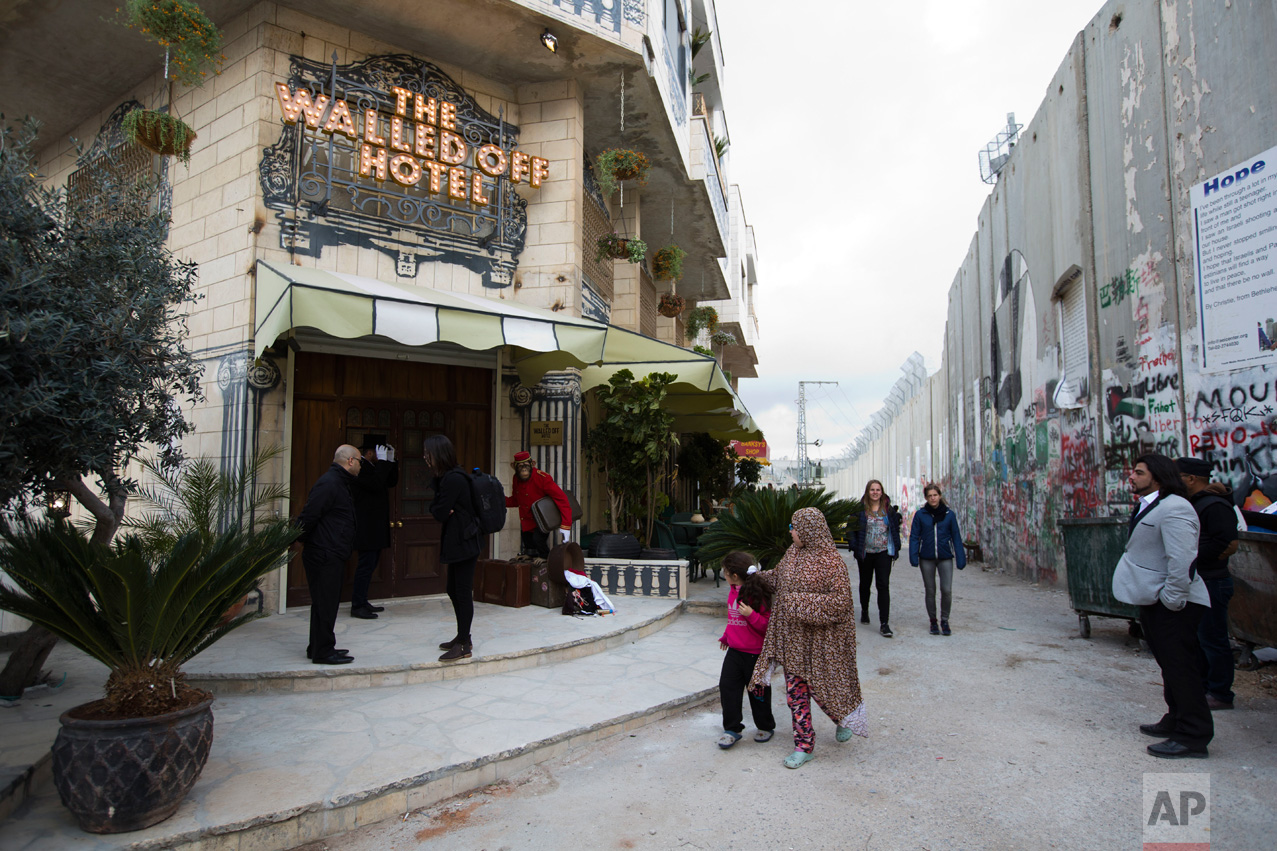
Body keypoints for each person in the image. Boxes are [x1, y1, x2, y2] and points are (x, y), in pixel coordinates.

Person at [748, 507, 867, 769]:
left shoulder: (832, 562)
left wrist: (796, 603)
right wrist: (756, 577)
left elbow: (841, 603)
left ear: (809, 530)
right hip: (794, 641)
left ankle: (840, 717)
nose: (791, 532)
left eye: (795, 527)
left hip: (822, 642)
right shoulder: (792, 554)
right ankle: (804, 745)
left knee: (823, 688)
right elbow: (777, 579)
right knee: (795, 693)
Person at [1112, 454, 1213, 759]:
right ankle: (1176, 719)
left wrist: (1172, 599)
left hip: (1175, 603)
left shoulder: (1175, 508)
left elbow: (1182, 560)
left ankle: (1193, 735)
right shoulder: (1153, 505)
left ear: (1157, 477)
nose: (1132, 477)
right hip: (1156, 600)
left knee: (1182, 668)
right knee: (1170, 666)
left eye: (1139, 473)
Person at [1176, 456, 1239, 711]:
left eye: (1178, 477)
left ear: (1191, 479)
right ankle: (1203, 687)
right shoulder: (1194, 504)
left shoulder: (1214, 505)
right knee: (1199, 639)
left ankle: (1221, 693)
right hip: (1199, 580)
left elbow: (1229, 544)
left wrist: (1192, 556)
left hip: (1213, 581)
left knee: (1213, 640)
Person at [295, 444, 361, 665]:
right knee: (325, 602)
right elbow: (309, 515)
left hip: (331, 551)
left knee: (325, 602)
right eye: (360, 461)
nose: (361, 466)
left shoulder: (339, 482)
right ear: (350, 461)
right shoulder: (330, 482)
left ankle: (318, 646)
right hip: (324, 553)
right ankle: (323, 651)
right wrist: (295, 539)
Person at [426, 435, 482, 662]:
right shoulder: (448, 478)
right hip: (461, 541)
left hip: (465, 542)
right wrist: (441, 508)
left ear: (438, 455)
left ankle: (463, 644)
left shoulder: (453, 480)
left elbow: (439, 512)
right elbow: (439, 508)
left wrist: (442, 509)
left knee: (461, 592)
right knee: (453, 589)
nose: (424, 457)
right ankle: (462, 636)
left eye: (427, 453)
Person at [716, 551, 775, 749]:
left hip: (755, 654)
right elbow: (733, 618)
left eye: (725, 572)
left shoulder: (756, 593)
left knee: (758, 692)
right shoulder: (732, 590)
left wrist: (751, 615)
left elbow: (767, 626)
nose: (723, 574)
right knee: (728, 688)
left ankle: (765, 726)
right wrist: (727, 636)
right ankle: (732, 728)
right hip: (734, 651)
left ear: (734, 575)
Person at [349, 435, 398, 620]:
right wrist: (384, 464)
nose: (381, 457)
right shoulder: (360, 469)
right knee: (365, 565)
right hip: (366, 526)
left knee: (370, 565)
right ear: (370, 452)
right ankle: (357, 604)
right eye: (380, 453)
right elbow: (376, 484)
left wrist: (392, 461)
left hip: (375, 526)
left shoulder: (376, 467)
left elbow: (390, 481)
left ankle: (363, 600)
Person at [909, 483, 966, 636]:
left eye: (935, 495)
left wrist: (961, 557)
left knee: (946, 590)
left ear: (939, 496)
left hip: (945, 557)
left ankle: (945, 620)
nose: (933, 498)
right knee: (930, 590)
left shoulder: (949, 514)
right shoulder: (921, 515)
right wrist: (913, 555)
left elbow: (956, 537)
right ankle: (933, 621)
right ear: (926, 498)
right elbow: (915, 536)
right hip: (926, 558)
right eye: (930, 496)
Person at [850, 479, 903, 638]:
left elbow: (894, 528)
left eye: (878, 490)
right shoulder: (859, 509)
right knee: (865, 584)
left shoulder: (888, 510)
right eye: (872, 490)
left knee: (883, 585)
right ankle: (865, 610)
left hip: (883, 553)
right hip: (865, 553)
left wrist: (897, 546)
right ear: (867, 492)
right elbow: (851, 528)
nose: (875, 492)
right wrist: (854, 545)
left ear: (882, 492)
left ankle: (884, 623)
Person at [504, 450, 571, 557]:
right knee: (528, 544)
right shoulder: (516, 478)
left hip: (541, 520)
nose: (524, 469)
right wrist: (500, 501)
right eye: (520, 466)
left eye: (526, 465)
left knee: (538, 540)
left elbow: (561, 499)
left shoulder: (542, 478)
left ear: (533, 464)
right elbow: (517, 500)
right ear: (514, 467)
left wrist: (566, 524)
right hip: (526, 521)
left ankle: (545, 558)